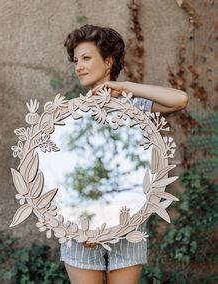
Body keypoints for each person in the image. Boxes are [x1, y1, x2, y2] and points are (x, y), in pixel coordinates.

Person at [61, 24, 188, 284]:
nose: (78, 66)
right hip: (82, 230)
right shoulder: (70, 114)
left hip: (128, 225)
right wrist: (76, 223)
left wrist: (127, 87)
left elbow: (179, 100)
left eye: (86, 58)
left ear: (108, 62)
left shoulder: (137, 107)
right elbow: (62, 176)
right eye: (76, 60)